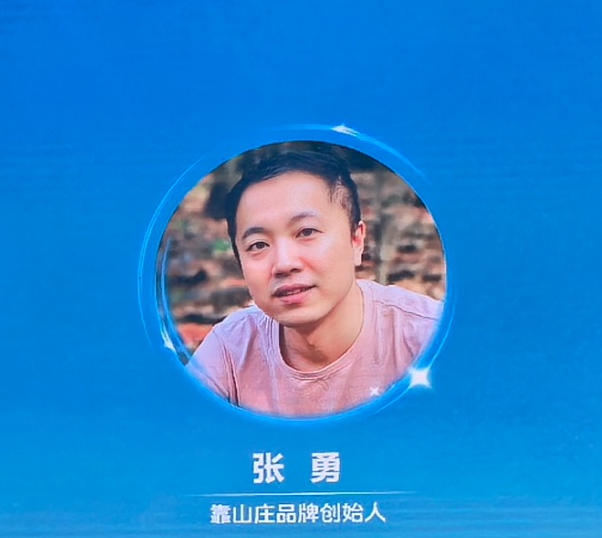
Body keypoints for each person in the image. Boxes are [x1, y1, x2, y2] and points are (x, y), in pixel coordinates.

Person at [185, 145, 438, 419]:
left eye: (306, 232)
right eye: (258, 245)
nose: (284, 263)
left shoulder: (428, 338)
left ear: (356, 240)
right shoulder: (230, 351)